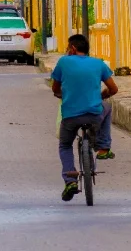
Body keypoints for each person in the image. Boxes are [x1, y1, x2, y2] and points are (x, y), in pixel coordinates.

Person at [51, 33, 118, 202]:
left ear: (72, 49)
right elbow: (113, 89)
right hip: (94, 113)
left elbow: (55, 88)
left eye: (68, 48)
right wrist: (103, 95)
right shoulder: (98, 63)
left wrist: (61, 94)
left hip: (71, 116)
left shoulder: (63, 62)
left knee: (65, 145)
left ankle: (70, 180)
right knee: (107, 108)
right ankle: (103, 147)